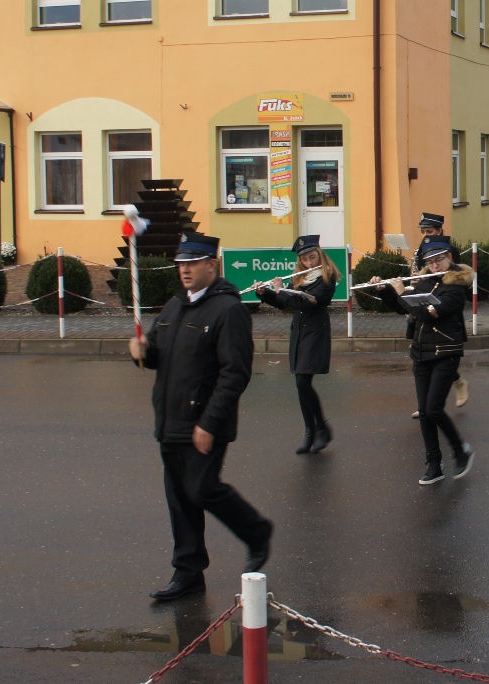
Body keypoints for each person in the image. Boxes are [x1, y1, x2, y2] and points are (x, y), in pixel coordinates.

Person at [128, 233, 273, 602]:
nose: (185, 269)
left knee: (202, 488)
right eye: (181, 263)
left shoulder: (228, 310)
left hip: (206, 422)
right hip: (170, 419)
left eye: (193, 262)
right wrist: (141, 351)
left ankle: (257, 532)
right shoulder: (174, 307)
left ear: (212, 264)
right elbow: (159, 356)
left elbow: (235, 372)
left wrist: (209, 422)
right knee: (179, 498)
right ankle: (188, 572)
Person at [375, 236, 475, 485]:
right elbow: (404, 308)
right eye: (430, 261)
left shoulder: (457, 285)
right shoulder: (426, 281)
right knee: (425, 413)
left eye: (439, 260)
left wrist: (401, 293)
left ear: (449, 257)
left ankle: (460, 449)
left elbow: (429, 314)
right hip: (421, 352)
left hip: (446, 352)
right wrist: (387, 291)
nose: (434, 265)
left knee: (433, 408)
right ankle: (434, 463)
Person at [256, 234, 337, 454]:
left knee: (303, 382)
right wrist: (265, 294)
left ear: (320, 256)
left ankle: (320, 429)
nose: (309, 263)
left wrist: (281, 291)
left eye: (312, 258)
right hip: (299, 331)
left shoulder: (327, 279)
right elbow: (286, 305)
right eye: (305, 260)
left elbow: (308, 304)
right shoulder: (300, 278)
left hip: (315, 332)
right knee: (301, 383)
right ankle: (311, 432)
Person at [414, 212, 467, 411]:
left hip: (444, 304)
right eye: (423, 231)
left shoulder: (449, 250)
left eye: (430, 231)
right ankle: (425, 404)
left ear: (440, 230)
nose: (426, 235)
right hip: (423, 302)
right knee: (422, 352)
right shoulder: (422, 249)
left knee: (441, 357)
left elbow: (453, 276)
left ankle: (457, 384)